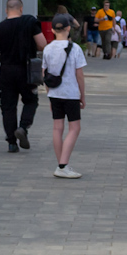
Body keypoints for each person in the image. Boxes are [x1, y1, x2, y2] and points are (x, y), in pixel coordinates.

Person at [0, 0, 47, 153]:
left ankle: (11, 143)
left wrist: (5, 58)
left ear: (6, 10)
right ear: (21, 9)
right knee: (30, 100)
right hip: (26, 70)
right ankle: (23, 127)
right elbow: (42, 44)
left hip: (6, 70)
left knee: (8, 107)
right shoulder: (30, 22)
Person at [43, 14, 87, 179]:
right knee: (75, 128)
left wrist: (49, 94)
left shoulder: (47, 48)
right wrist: (83, 96)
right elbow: (80, 75)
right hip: (71, 93)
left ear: (53, 30)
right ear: (68, 28)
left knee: (57, 128)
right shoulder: (75, 49)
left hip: (55, 94)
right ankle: (63, 165)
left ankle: (62, 163)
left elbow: (44, 74)